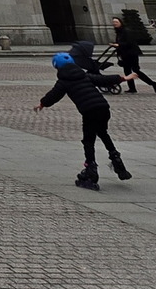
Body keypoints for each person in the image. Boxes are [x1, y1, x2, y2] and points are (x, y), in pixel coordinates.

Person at [37, 50, 130, 189]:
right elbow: (103, 80)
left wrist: (42, 103)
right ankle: (117, 161)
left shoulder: (63, 81)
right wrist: (121, 78)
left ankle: (91, 171)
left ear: (57, 67)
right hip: (103, 107)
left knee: (88, 141)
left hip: (89, 111)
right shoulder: (85, 75)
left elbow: (54, 95)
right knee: (103, 133)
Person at [109, 16, 156, 94]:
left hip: (132, 54)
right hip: (124, 54)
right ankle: (132, 88)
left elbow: (130, 43)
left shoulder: (126, 31)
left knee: (136, 71)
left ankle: (152, 83)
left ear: (120, 23)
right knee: (127, 72)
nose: (114, 24)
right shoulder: (119, 32)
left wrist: (118, 45)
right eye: (113, 22)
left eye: (116, 22)